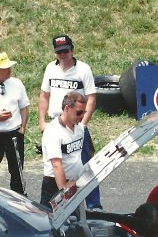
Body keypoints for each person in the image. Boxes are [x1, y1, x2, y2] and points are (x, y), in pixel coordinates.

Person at [38, 34, 103, 212]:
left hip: (77, 124)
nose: (63, 55)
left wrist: (83, 123)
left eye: (66, 51)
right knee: (57, 164)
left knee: (85, 166)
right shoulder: (50, 69)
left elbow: (91, 98)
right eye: (59, 52)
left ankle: (93, 206)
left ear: (72, 50)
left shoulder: (83, 69)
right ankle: (61, 203)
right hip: (56, 124)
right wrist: (42, 121)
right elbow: (44, 96)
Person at [40, 91, 86, 210]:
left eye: (84, 112)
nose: (82, 117)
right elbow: (56, 164)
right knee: (50, 223)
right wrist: (64, 191)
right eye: (79, 113)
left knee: (75, 223)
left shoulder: (80, 128)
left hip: (74, 183)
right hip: (55, 185)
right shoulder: (53, 131)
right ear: (67, 108)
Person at [0, 52, 29, 195]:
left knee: (17, 169)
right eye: (6, 68)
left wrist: (22, 128)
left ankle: (19, 198)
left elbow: (24, 107)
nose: (10, 70)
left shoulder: (17, 84)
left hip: (14, 134)